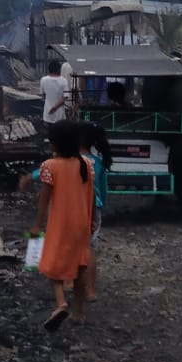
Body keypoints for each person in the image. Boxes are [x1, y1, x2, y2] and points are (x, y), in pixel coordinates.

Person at [32, 119, 94, 331]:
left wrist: (37, 225)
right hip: (81, 224)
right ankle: (79, 312)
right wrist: (92, 220)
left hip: (60, 225)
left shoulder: (50, 166)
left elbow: (44, 199)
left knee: (52, 264)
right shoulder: (86, 164)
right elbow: (90, 196)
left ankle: (61, 304)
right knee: (78, 267)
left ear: (55, 143)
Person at [78, 121, 111, 304]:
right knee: (88, 248)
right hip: (93, 208)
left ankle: (68, 284)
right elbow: (103, 191)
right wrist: (100, 206)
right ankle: (90, 291)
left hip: (74, 207)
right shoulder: (97, 163)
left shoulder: (70, 161)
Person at [40, 58, 69, 124]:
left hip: (48, 113)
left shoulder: (43, 80)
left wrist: (52, 106)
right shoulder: (63, 80)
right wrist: (55, 107)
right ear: (59, 69)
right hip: (60, 115)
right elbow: (65, 97)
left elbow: (43, 94)